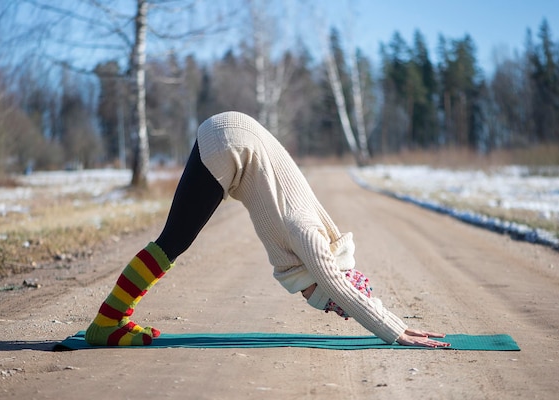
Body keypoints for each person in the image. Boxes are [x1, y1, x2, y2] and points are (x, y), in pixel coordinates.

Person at [85, 111, 450, 348]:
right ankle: (107, 322)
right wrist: (395, 330)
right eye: (321, 302)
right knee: (173, 241)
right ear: (317, 277)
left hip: (233, 135)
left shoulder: (311, 237)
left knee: (175, 239)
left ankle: (112, 318)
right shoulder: (309, 238)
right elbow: (339, 284)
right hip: (228, 146)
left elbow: (338, 284)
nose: (312, 302)